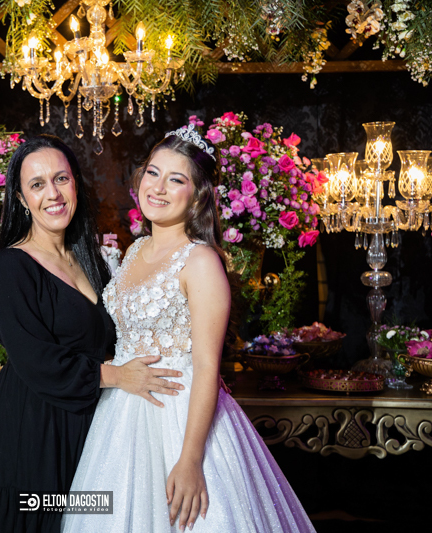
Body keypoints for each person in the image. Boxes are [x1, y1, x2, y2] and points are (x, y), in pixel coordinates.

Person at [62, 125, 316, 533]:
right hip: (122, 415)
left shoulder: (200, 262)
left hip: (179, 415)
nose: (158, 187)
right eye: (153, 172)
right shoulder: (135, 249)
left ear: (198, 195)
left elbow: (207, 366)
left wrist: (191, 459)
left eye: (176, 179)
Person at [0, 135, 185, 533]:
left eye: (61, 179)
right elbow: (35, 359)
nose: (53, 194)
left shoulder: (90, 261)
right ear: (21, 198)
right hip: (34, 430)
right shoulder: (11, 266)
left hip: (89, 422)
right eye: (37, 184)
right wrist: (119, 377)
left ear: (76, 184)